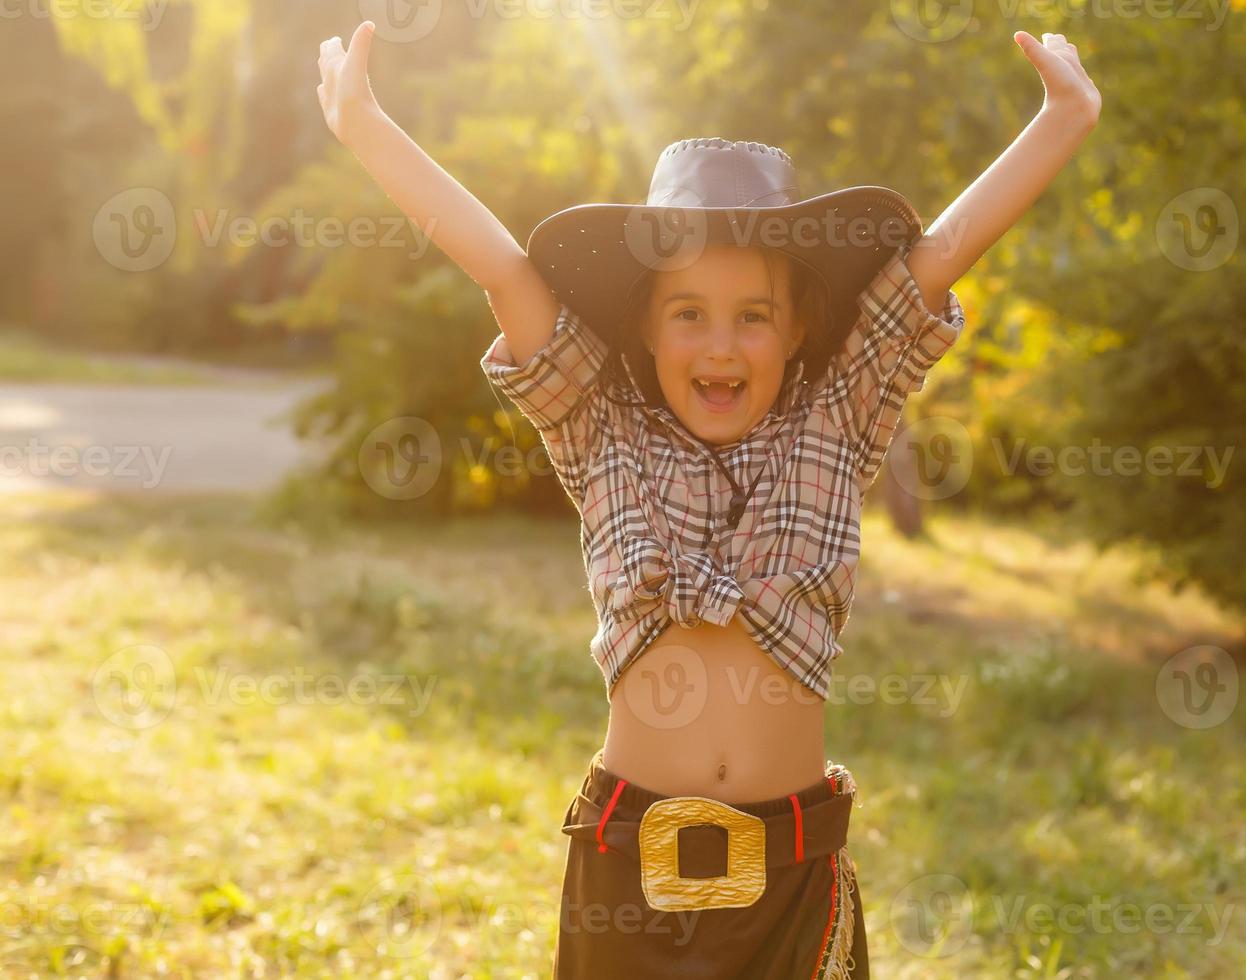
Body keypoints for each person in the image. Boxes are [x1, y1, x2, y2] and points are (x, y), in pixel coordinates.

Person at [316, 22, 1099, 978]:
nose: (720, 347)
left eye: (752, 317)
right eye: (688, 314)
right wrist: (365, 126)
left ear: (796, 326)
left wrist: (1063, 121)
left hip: (790, 864)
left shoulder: (839, 417)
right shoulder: (599, 428)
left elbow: (937, 258)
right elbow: (502, 270)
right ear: (645, 326)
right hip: (626, 864)